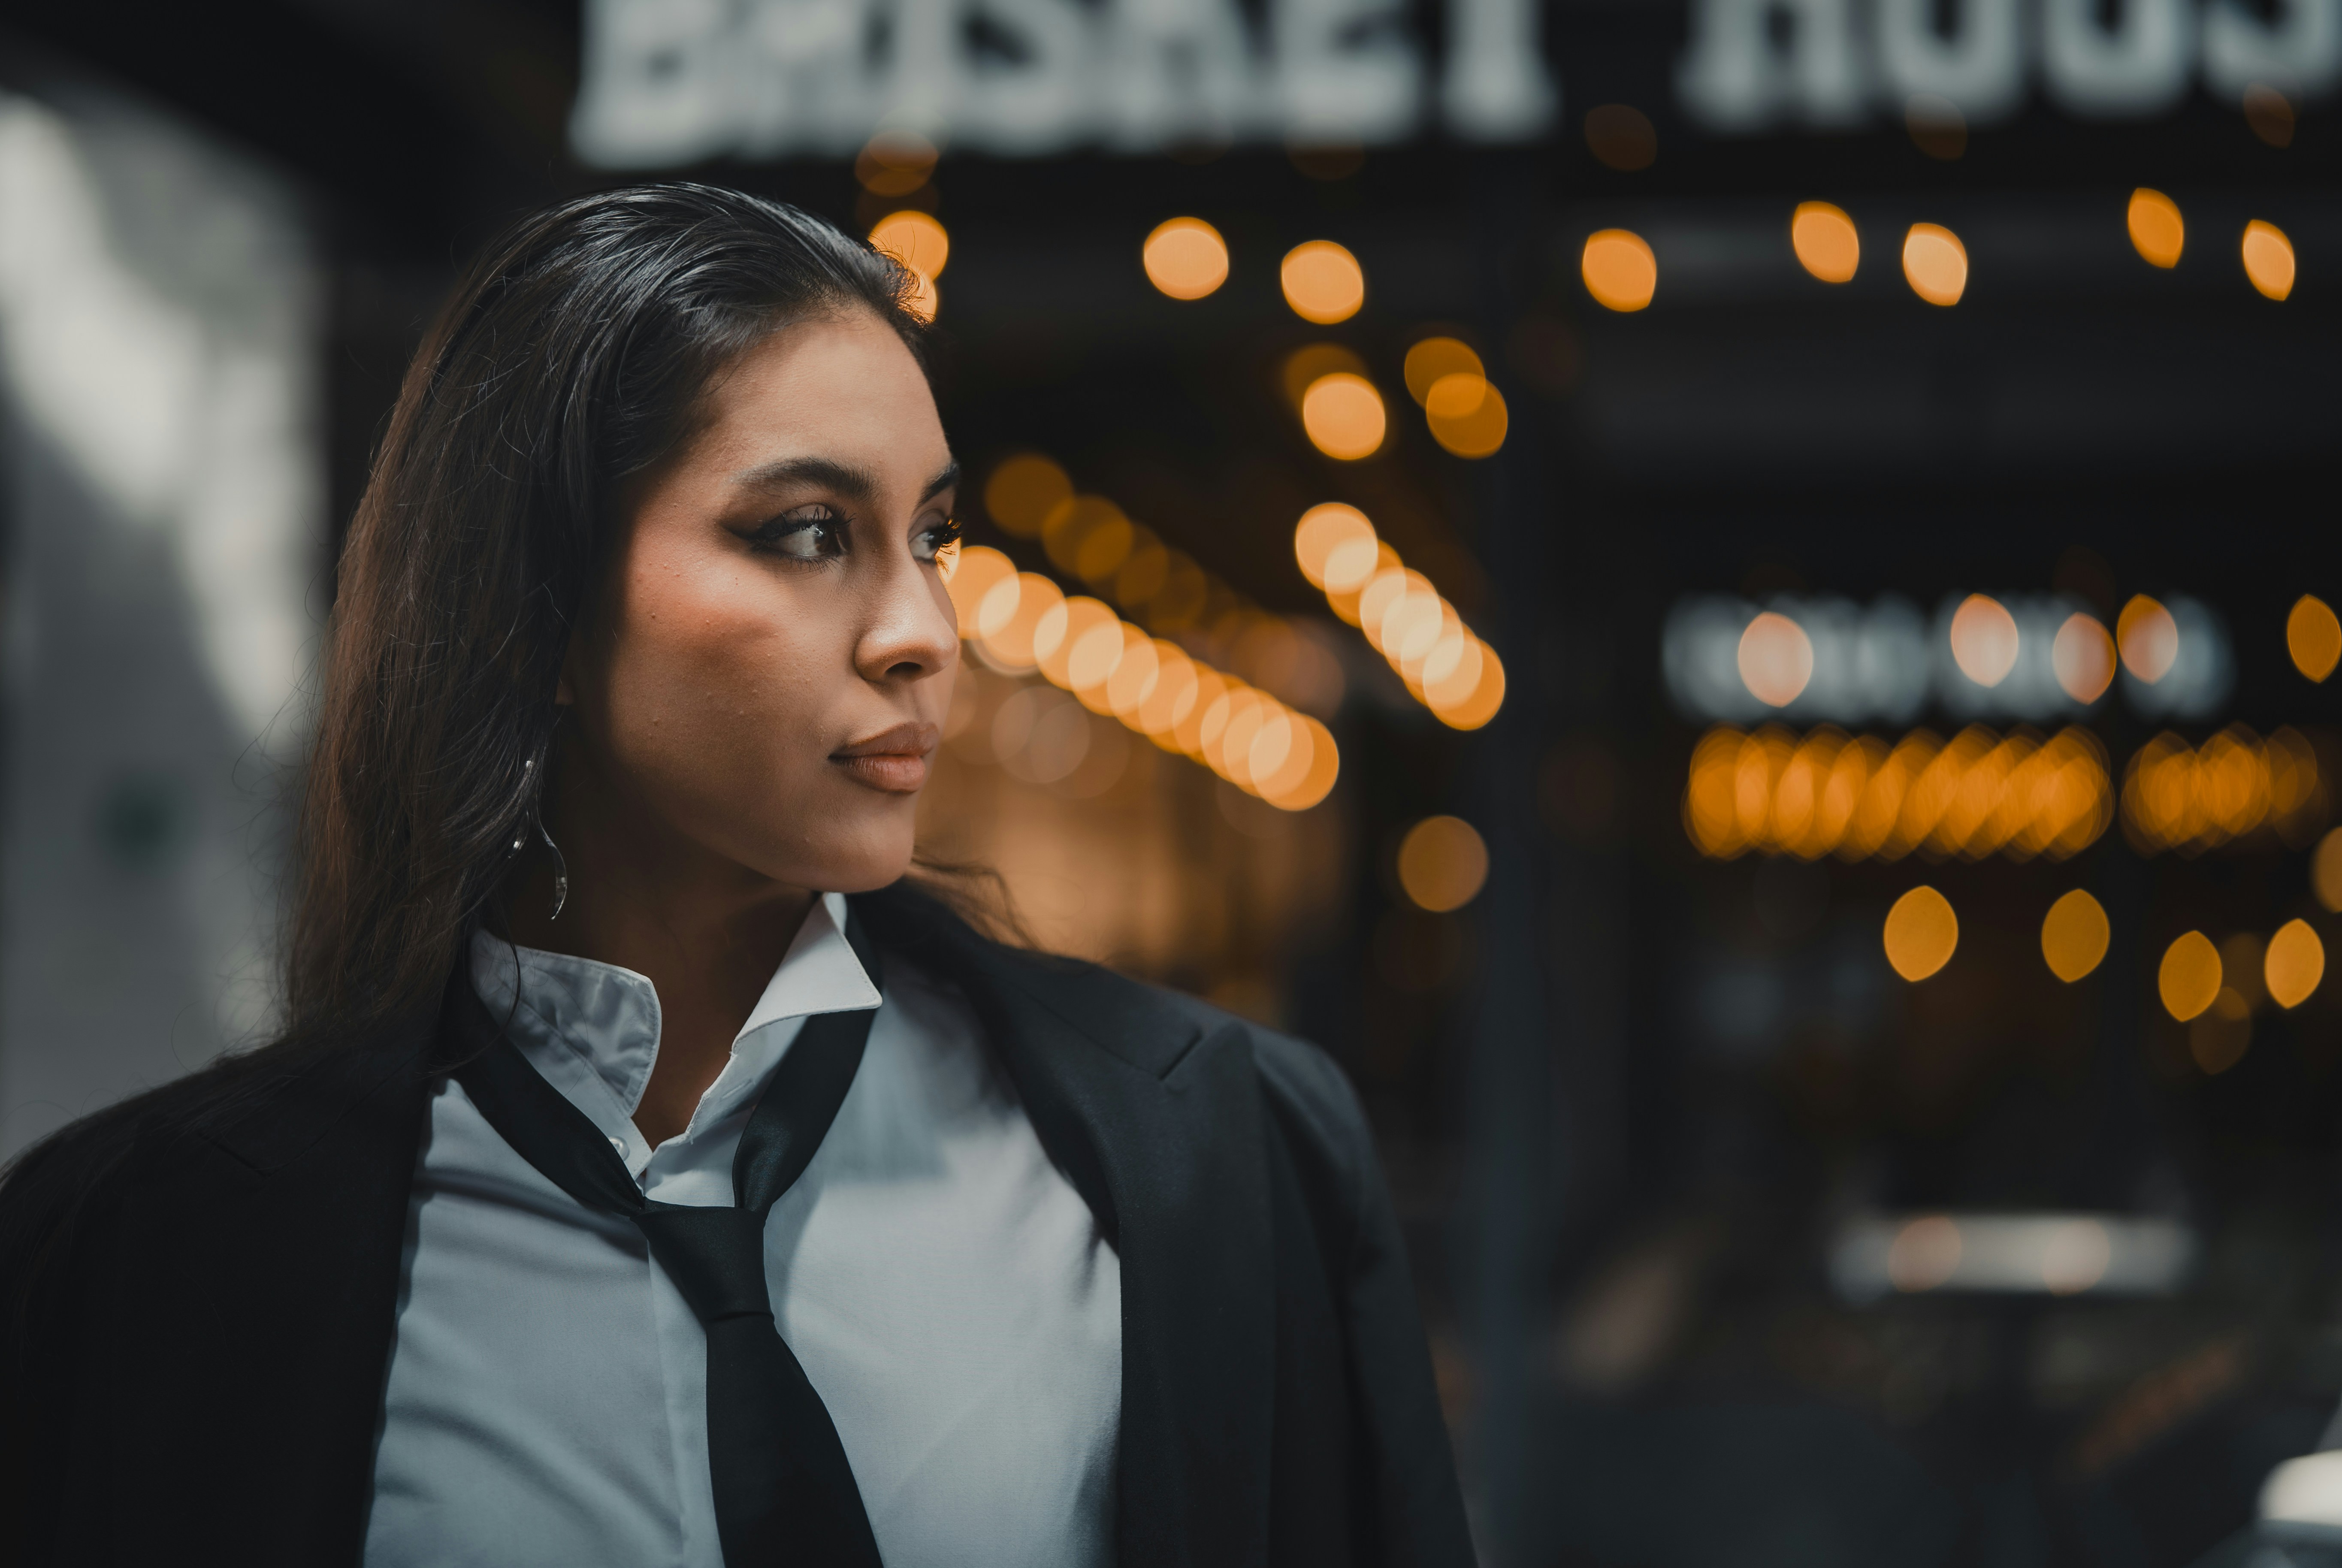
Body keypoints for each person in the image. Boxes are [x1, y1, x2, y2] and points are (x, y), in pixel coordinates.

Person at [0, 184, 1472, 1567]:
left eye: (934, 537)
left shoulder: (1224, 1152)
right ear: (536, 610)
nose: (924, 632)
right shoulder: (137, 1259)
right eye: (809, 532)